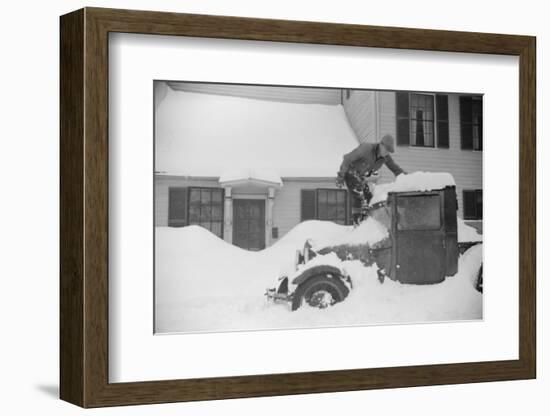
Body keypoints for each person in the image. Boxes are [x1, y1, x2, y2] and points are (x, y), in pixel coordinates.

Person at [336, 134, 406, 225]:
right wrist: (340, 176)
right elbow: (347, 158)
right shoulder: (366, 148)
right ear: (381, 144)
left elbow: (395, 169)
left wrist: (408, 179)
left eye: (389, 151)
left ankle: (369, 221)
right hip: (350, 171)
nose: (386, 152)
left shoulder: (385, 158)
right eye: (386, 149)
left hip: (360, 176)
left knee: (370, 197)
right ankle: (357, 223)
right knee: (359, 195)